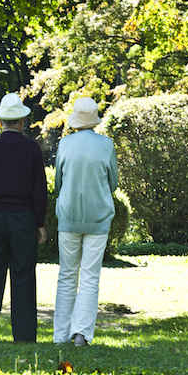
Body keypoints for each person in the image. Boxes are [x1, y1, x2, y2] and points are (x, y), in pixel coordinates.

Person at [0, 92, 48, 343]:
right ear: (22, 121)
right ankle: (24, 335)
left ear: (1, 121)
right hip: (23, 218)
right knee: (24, 276)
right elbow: (39, 190)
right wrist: (40, 222)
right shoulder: (32, 149)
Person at [53, 97, 118, 347]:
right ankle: (81, 334)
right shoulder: (106, 144)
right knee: (91, 276)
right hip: (98, 217)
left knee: (67, 275)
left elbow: (59, 181)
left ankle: (60, 335)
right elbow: (113, 182)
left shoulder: (65, 144)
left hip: (69, 216)